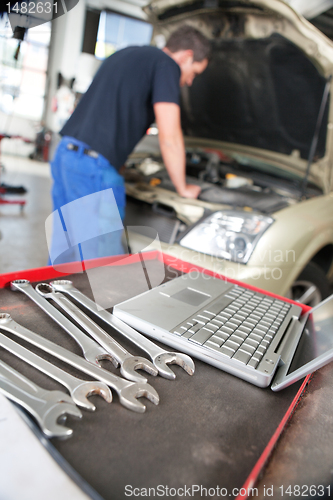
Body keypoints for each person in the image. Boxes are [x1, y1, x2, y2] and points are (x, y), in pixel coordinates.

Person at [48, 25, 211, 265]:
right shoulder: (167, 66)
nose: (188, 81)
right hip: (92, 168)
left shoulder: (127, 53)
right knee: (101, 266)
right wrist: (182, 187)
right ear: (186, 56)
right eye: (194, 73)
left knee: (65, 255)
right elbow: (170, 135)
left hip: (65, 156)